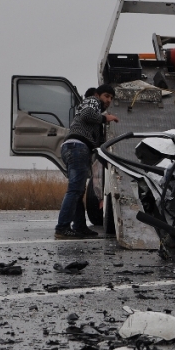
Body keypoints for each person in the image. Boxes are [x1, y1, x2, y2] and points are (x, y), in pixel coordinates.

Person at [54, 84, 119, 239]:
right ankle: (62, 228)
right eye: (106, 96)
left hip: (74, 148)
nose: (108, 100)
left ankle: (80, 226)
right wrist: (105, 118)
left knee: (78, 190)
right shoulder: (93, 101)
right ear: (98, 95)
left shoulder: (95, 112)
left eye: (111, 98)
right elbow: (87, 115)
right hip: (78, 147)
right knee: (75, 190)